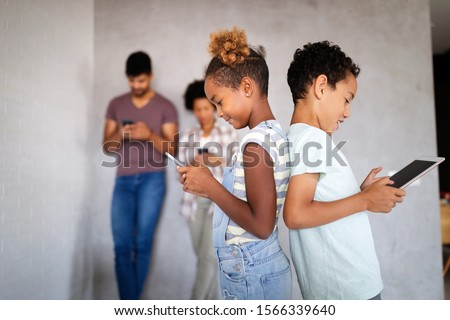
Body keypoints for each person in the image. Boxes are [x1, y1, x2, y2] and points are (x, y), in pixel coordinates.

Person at [283, 41, 407, 300]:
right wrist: (365, 200)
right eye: (346, 100)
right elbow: (295, 214)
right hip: (347, 289)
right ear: (320, 86)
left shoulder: (301, 137)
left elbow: (318, 201)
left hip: (338, 288)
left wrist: (359, 193)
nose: (348, 112)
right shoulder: (312, 140)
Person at [177, 27, 292, 300]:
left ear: (247, 87)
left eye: (219, 102)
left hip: (251, 273)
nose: (219, 113)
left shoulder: (255, 143)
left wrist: (210, 188)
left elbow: (262, 225)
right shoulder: (271, 133)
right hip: (254, 269)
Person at [102, 51, 178, 300]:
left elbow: (172, 149)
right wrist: (122, 135)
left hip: (152, 179)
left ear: (151, 77)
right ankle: (131, 307)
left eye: (141, 81)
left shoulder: (166, 106)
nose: (136, 86)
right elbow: (106, 146)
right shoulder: (116, 104)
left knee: (142, 243)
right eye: (132, 81)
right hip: (123, 180)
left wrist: (149, 135)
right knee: (122, 246)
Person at [179, 79, 238, 300]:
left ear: (212, 107)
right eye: (198, 109)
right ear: (192, 109)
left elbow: (238, 167)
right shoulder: (187, 136)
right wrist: (193, 165)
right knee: (203, 258)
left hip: (218, 202)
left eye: (206, 108)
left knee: (207, 258)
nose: (203, 113)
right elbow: (180, 174)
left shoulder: (227, 133)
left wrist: (217, 160)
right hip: (192, 203)